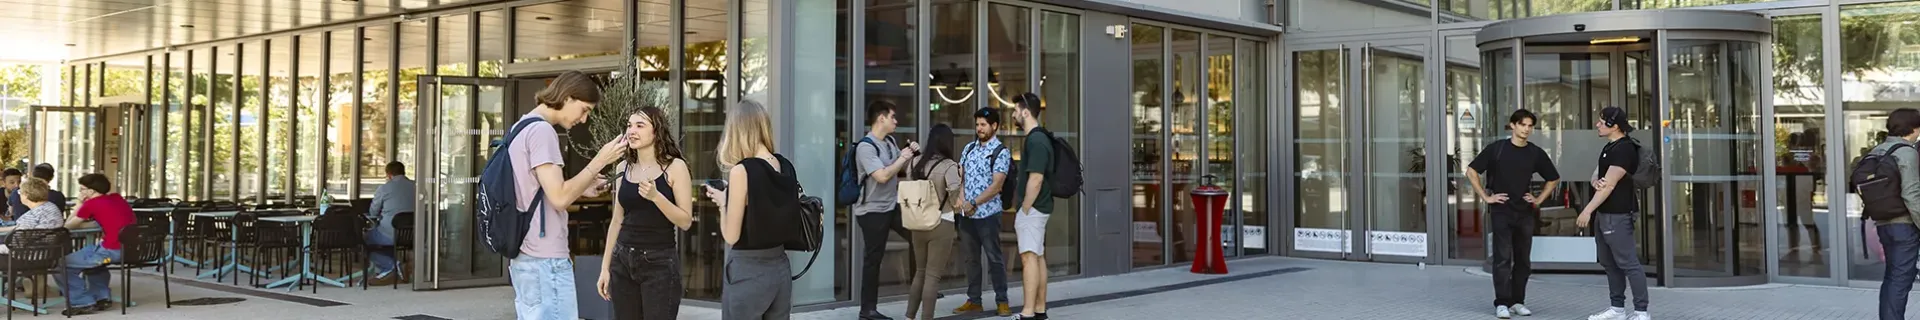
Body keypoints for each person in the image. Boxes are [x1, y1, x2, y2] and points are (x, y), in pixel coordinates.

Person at [506, 70, 627, 320]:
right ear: (568, 97)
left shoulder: (521, 126)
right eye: (584, 110)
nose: (584, 119)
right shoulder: (542, 132)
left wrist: (584, 186)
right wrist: (600, 160)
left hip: (526, 256)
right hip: (545, 258)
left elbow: (542, 191)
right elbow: (560, 198)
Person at [596, 106, 695, 320]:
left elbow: (685, 221)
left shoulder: (675, 167)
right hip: (622, 260)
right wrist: (605, 268)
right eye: (629, 125)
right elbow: (617, 220)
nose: (632, 131)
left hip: (659, 263)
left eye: (640, 126)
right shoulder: (623, 168)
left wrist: (656, 197)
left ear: (656, 131)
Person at [705, 99, 799, 320]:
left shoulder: (742, 171)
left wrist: (723, 202)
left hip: (748, 271)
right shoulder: (784, 165)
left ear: (737, 130)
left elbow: (731, 236)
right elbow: (766, 203)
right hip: (780, 268)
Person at [1464, 109, 1560, 319]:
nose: (1526, 129)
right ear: (1513, 125)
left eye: (1530, 126)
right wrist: (1486, 197)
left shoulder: (1535, 152)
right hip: (1501, 211)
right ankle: (1502, 303)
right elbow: (1471, 171)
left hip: (1525, 213)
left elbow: (1553, 178)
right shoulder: (1497, 149)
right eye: (1523, 125)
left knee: (1523, 260)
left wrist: (1538, 200)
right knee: (1502, 258)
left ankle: (1517, 301)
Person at [1579, 107, 1650, 320]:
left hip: (1618, 214)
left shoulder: (1624, 149)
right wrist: (1594, 181)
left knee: (1629, 263)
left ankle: (1641, 312)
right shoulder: (1610, 146)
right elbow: (1599, 173)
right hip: (1605, 213)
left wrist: (1587, 210)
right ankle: (1617, 309)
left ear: (1615, 126)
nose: (1597, 125)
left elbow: (1609, 185)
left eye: (1602, 122)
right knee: (1609, 263)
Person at [854, 100, 920, 320]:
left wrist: (911, 154)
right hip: (871, 211)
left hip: (892, 206)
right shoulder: (866, 147)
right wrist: (902, 157)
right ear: (881, 118)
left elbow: (898, 169)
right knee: (873, 259)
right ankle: (867, 310)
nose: (896, 121)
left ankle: (919, 287)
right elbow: (882, 176)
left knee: (917, 235)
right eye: (893, 117)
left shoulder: (890, 142)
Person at [953, 108, 1012, 316]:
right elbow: (961, 177)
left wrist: (974, 202)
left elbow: (997, 185)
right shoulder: (969, 148)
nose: (979, 128)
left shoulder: (1000, 152)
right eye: (977, 124)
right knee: (971, 259)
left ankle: (1002, 301)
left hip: (988, 214)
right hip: (967, 215)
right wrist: (962, 199)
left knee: (994, 258)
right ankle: (974, 300)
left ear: (994, 126)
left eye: (983, 125)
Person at [902, 124, 963, 320]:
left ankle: (909, 316)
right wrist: (961, 179)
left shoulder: (914, 163)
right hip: (941, 224)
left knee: (920, 272)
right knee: (932, 276)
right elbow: (956, 202)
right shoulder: (949, 166)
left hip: (917, 223)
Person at [55, 174, 134, 316]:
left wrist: (79, 203)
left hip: (111, 251)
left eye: (81, 189)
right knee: (91, 256)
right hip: (131, 249)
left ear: (90, 191)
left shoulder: (91, 204)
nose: (80, 192)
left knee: (59, 264)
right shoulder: (117, 198)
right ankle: (101, 297)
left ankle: (82, 302)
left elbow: (67, 226)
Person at [1868, 108, 1920, 320]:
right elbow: (1911, 194)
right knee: (1900, 281)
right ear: (1913, 128)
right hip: (1903, 226)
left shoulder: (1878, 150)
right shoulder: (1907, 152)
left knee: (1892, 278)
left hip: (1884, 224)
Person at [1009, 93, 1054, 320]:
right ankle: (1039, 309)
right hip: (1039, 207)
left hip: (1034, 208)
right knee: (1037, 256)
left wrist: (1025, 208)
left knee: (1028, 257)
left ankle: (1027, 312)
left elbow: (1035, 179)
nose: (1013, 115)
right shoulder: (1039, 138)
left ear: (1025, 112)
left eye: (1016, 110)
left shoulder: (1036, 141)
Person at [366, 161, 415, 286]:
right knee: (383, 242)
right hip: (412, 234)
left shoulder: (384, 188)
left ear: (388, 174)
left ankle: (392, 267)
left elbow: (373, 212)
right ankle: (390, 273)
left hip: (390, 233)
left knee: (363, 240)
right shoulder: (416, 186)